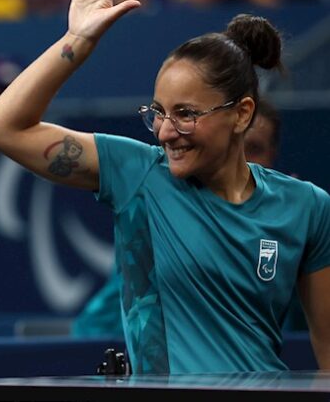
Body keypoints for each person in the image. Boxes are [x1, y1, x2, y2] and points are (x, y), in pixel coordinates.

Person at [0, 0, 330, 374]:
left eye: (185, 114)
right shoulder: (138, 174)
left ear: (241, 114)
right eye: (159, 113)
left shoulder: (308, 206)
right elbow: (1, 128)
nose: (165, 131)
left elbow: (327, 355)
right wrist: (77, 41)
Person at [70, 97, 298, 339]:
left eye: (253, 149)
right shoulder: (163, 200)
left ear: (272, 155)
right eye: (233, 146)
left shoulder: (294, 217)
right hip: (113, 347)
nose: (242, 161)